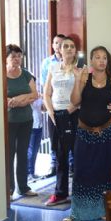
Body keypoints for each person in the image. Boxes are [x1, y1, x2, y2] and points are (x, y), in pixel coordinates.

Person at [63, 46, 111, 221]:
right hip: (84, 132)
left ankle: (102, 209)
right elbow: (75, 101)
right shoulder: (84, 77)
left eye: (104, 58)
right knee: (82, 171)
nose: (101, 61)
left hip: (106, 132)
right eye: (97, 57)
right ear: (92, 60)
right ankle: (78, 213)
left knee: (103, 170)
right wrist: (77, 80)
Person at [44, 37, 81, 206]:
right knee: (60, 155)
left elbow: (82, 96)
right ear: (59, 49)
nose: (68, 49)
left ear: (76, 51)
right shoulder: (53, 68)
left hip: (73, 114)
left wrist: (67, 113)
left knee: (78, 154)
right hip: (55, 116)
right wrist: (52, 113)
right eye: (65, 46)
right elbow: (46, 93)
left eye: (72, 47)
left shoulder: (81, 69)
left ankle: (81, 193)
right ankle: (60, 193)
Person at [5, 44, 39, 198]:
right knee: (9, 154)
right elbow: (3, 99)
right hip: (10, 122)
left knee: (23, 153)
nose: (17, 59)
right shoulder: (2, 76)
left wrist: (19, 100)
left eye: (19, 56)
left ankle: (23, 187)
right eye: (13, 56)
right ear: (6, 58)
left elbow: (34, 95)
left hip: (26, 120)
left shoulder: (26, 74)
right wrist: (21, 99)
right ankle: (9, 189)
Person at [40, 34, 66, 177]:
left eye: (61, 43)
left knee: (67, 137)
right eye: (56, 43)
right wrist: (46, 102)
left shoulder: (72, 63)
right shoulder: (47, 63)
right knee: (53, 136)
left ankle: (70, 164)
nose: (58, 46)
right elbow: (45, 85)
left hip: (68, 104)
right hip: (52, 102)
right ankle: (53, 164)